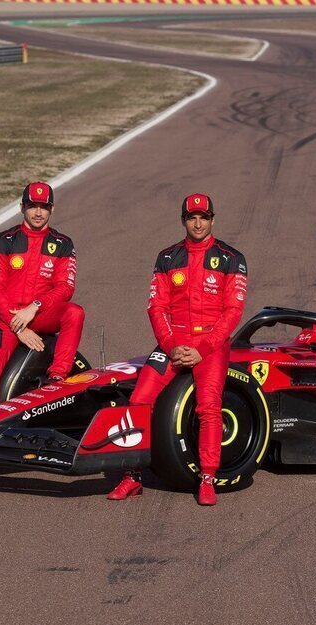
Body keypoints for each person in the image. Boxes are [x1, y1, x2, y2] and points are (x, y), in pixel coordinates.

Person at [108, 193, 247, 505]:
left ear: (213, 219)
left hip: (211, 345)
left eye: (203, 217)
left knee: (209, 406)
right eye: (191, 217)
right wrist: (171, 346)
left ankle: (208, 477)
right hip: (173, 342)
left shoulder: (231, 259)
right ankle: (132, 476)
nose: (198, 223)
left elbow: (233, 312)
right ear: (183, 220)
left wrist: (203, 349)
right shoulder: (167, 257)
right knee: (138, 399)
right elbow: (156, 307)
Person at [0, 181, 84, 417]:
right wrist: (18, 326)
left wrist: (36, 306)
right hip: (5, 319)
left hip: (40, 315)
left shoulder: (63, 244)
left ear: (52, 209)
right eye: (32, 205)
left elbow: (66, 287)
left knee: (74, 312)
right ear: (21, 207)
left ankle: (56, 378)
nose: (38, 212)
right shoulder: (2, 240)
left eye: (44, 206)